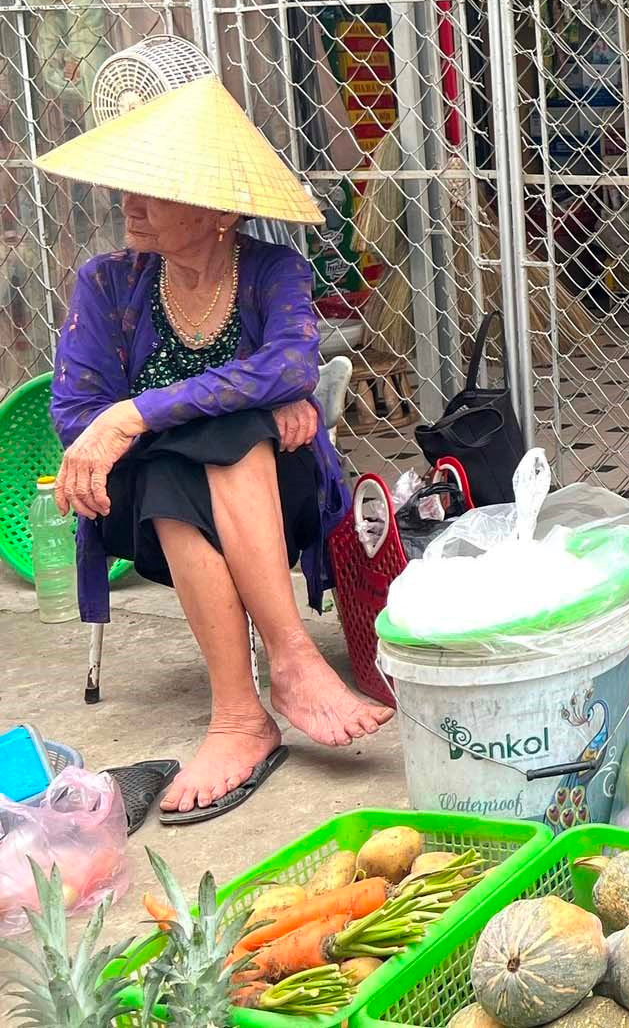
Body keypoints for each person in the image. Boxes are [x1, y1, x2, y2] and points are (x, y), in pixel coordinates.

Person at [39, 75, 391, 824]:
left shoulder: (274, 271)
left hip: (278, 500)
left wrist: (137, 411)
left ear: (221, 208)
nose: (130, 202)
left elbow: (292, 365)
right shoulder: (107, 283)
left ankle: (246, 711)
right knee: (187, 456)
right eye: (128, 184)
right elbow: (76, 415)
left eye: (157, 188)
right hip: (147, 510)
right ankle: (281, 668)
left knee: (218, 441)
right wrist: (248, 400)